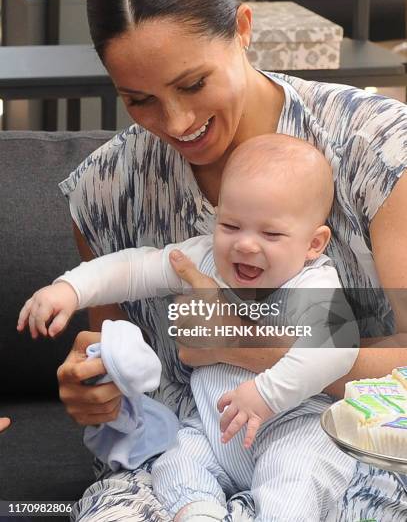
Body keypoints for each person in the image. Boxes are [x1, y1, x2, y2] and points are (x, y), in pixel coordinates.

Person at [53, 0, 407, 522]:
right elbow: (135, 387)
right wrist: (101, 386)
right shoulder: (105, 189)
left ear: (243, 28)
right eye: (138, 99)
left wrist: (255, 349)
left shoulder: (372, 146)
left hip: (349, 455)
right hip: (181, 463)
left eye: (193, 83)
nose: (176, 122)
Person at [19, 134, 360, 521]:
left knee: (300, 475)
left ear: (313, 243)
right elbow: (134, 268)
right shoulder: (202, 259)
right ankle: (199, 511)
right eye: (231, 225)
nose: (245, 245)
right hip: (212, 429)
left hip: (291, 424)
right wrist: (70, 288)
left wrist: (266, 394)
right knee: (176, 460)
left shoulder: (314, 283)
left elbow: (338, 349)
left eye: (271, 234)